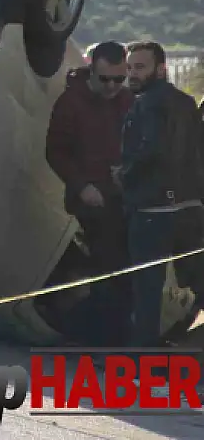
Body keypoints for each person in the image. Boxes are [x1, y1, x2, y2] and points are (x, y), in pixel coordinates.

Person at [45, 41, 134, 345]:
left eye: (119, 79)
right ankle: (102, 340)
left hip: (125, 195)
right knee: (109, 267)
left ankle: (109, 336)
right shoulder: (71, 102)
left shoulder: (126, 98)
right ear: (91, 70)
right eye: (105, 79)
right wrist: (81, 185)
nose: (112, 86)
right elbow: (56, 151)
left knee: (123, 268)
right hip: (91, 199)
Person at [116, 40, 204, 348]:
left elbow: (149, 151)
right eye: (129, 68)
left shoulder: (146, 104)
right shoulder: (186, 103)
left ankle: (140, 366)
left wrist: (124, 176)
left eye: (140, 67)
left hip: (153, 211)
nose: (133, 74)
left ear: (161, 69)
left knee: (147, 294)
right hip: (190, 209)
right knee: (197, 283)